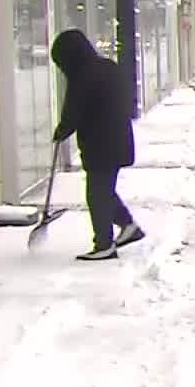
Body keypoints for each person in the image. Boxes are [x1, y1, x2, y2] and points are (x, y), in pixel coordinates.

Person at [50, 29, 142, 261]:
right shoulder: (107, 67)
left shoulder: (82, 76)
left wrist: (62, 131)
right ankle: (128, 226)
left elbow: (74, 111)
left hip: (100, 145)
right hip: (118, 139)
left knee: (97, 195)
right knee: (104, 191)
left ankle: (104, 244)